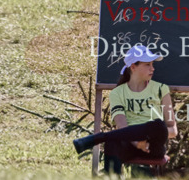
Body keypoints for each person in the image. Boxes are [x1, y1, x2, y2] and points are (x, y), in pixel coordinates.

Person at [72, 44, 178, 173]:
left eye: (152, 64)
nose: (152, 68)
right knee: (112, 142)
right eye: (147, 65)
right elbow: (122, 127)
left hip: (153, 146)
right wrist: (137, 142)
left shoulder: (161, 89)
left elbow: (173, 130)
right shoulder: (117, 93)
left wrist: (146, 137)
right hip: (129, 144)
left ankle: (101, 137)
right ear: (133, 67)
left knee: (158, 125)